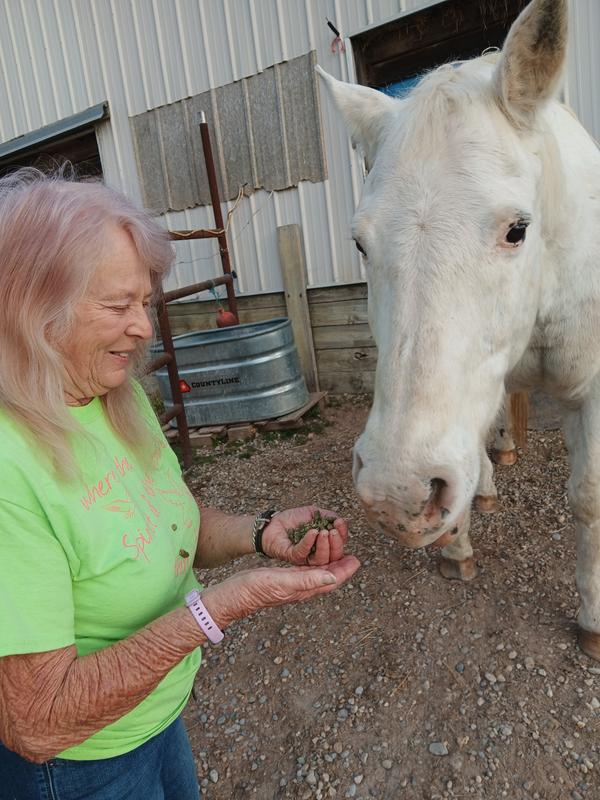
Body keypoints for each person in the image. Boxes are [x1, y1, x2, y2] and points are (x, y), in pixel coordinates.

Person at [0, 169, 360, 800]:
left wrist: (259, 533)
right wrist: (217, 608)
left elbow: (166, 519)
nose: (144, 327)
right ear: (33, 311)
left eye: (144, 302)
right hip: (81, 764)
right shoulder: (10, 468)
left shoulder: (116, 397)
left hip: (156, 712)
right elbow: (37, 722)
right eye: (118, 306)